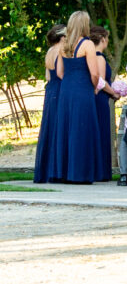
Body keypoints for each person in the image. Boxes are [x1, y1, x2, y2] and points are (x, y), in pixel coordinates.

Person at [52, 11, 106, 184]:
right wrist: (94, 87)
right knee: (82, 128)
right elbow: (95, 73)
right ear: (84, 25)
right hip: (83, 90)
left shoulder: (64, 44)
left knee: (67, 128)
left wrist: (70, 81)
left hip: (66, 90)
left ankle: (65, 172)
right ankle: (80, 173)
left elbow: (59, 72)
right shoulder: (87, 44)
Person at [33, 24, 65, 184]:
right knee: (59, 127)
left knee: (49, 126)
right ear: (63, 37)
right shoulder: (61, 50)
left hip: (50, 88)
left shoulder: (49, 51)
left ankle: (45, 170)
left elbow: (47, 76)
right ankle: (56, 169)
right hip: (60, 88)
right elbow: (60, 73)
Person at [90, 25, 118, 182]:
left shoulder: (90, 56)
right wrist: (113, 92)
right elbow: (100, 81)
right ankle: (100, 171)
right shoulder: (99, 57)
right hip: (100, 97)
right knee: (102, 131)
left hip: (97, 97)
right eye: (107, 38)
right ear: (102, 39)